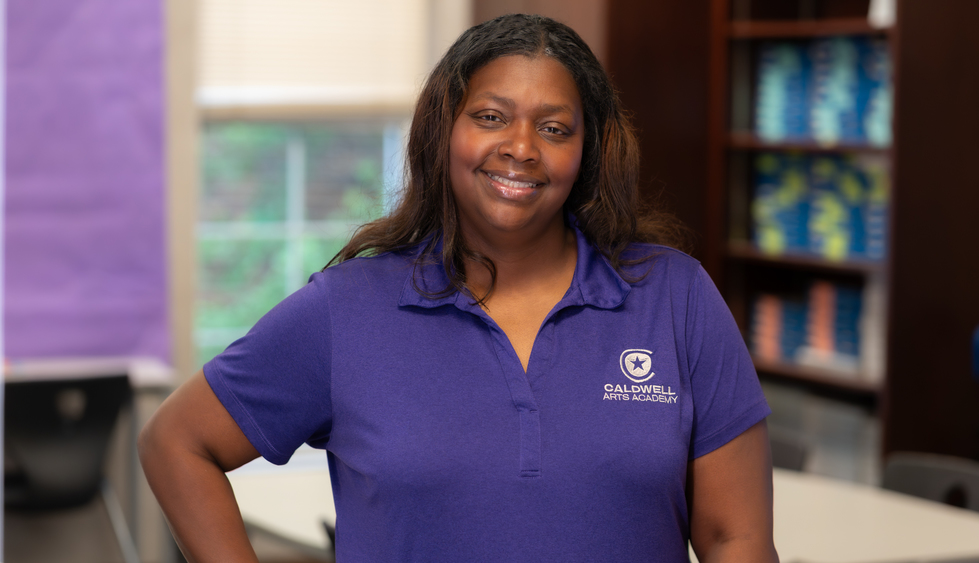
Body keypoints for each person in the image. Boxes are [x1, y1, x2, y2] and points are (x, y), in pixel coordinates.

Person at [139, 13, 777, 563]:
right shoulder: (347, 310)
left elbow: (735, 536)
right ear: (444, 129)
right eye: (492, 116)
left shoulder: (675, 298)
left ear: (589, 151)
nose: (521, 147)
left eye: (554, 128)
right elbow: (176, 442)